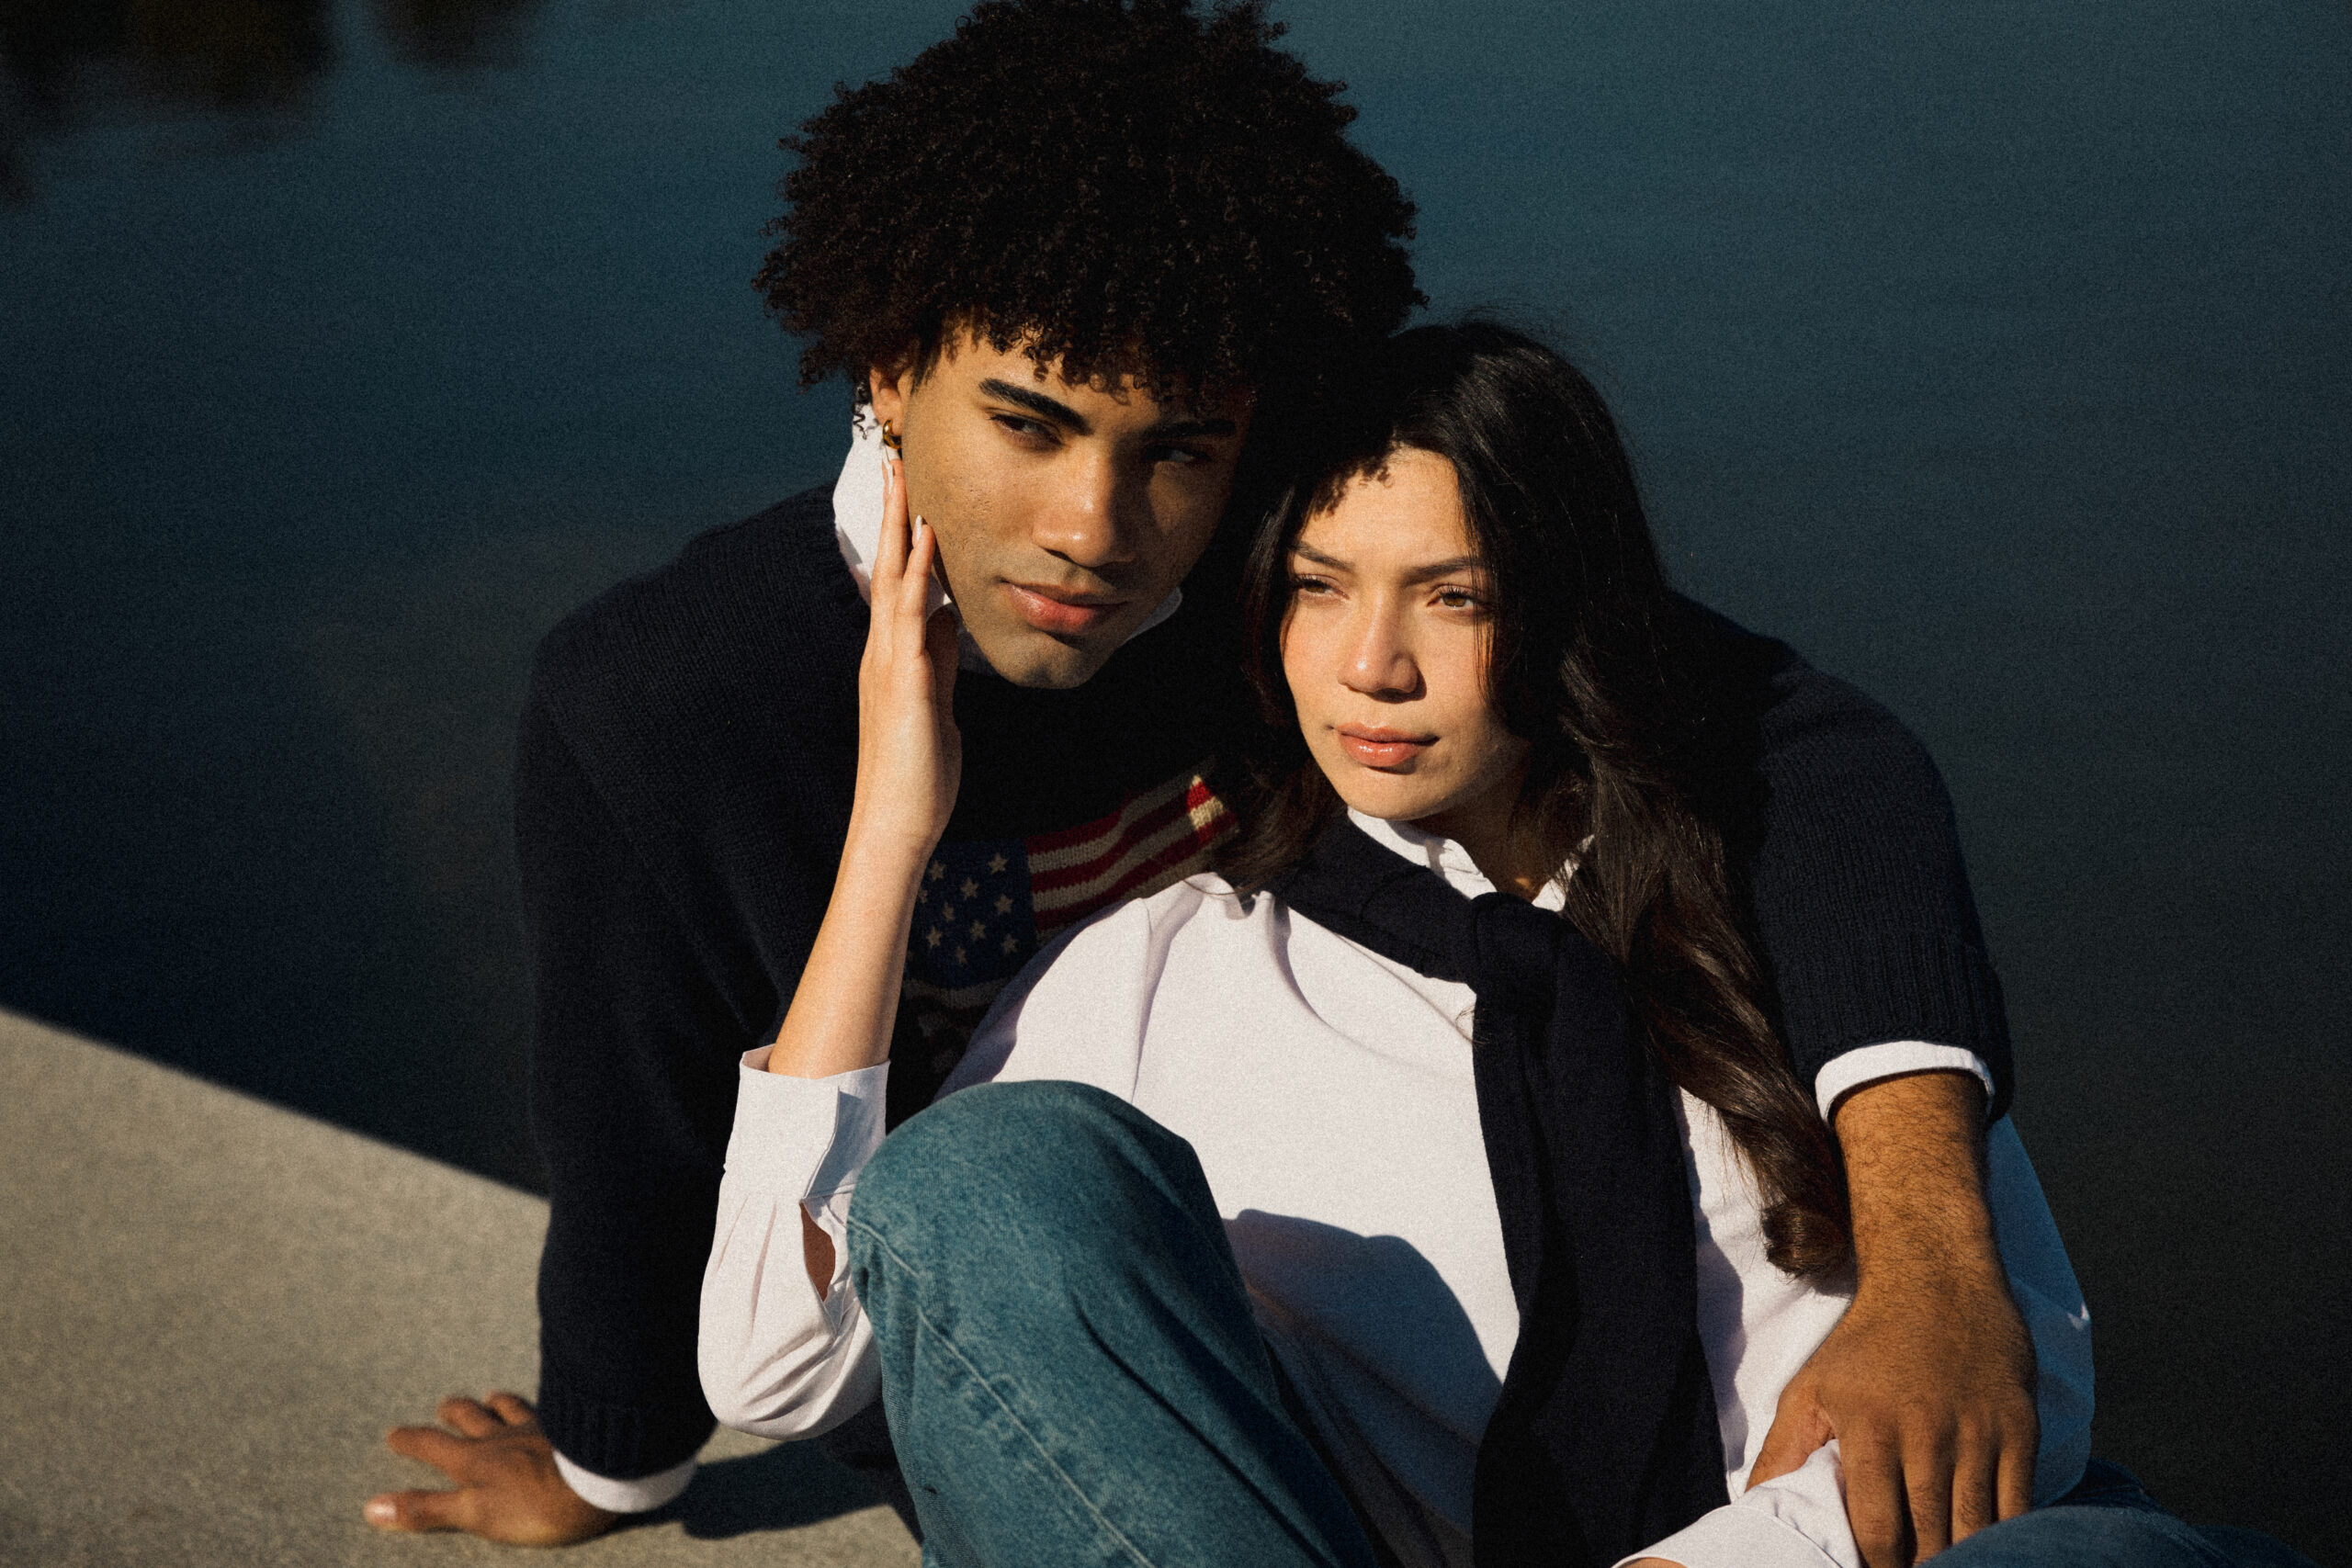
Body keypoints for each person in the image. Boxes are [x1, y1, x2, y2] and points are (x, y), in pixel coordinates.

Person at [369, 4, 2041, 1558]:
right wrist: (611, 1457)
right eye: (1027, 423)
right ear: (884, 366)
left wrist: (1936, 1262)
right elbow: (629, 1116)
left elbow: (1798, 743)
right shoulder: (666, 703)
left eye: (1175, 449)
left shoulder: (1279, 571)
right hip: (1006, 1355)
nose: (1099, 532)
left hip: (1387, 1334)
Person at [697, 321, 2309, 1568]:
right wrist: (892, 826)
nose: (1373, 666)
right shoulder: (1170, 970)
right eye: (1321, 589)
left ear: (1557, 612)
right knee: (984, 1173)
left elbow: (2021, 1367)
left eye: (1449, 596)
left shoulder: (1794, 907)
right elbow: (776, 1366)